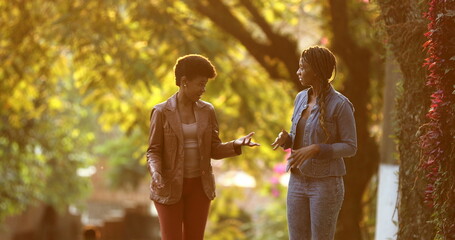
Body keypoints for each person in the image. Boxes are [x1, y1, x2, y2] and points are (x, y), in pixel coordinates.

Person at [146, 54, 259, 240]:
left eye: (205, 84)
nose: (203, 89)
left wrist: (236, 145)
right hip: (169, 185)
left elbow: (213, 149)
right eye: (200, 84)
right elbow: (153, 151)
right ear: (184, 81)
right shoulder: (161, 112)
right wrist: (156, 173)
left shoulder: (207, 111)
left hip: (200, 187)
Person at [271, 46, 357, 240]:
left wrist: (318, 149)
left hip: (326, 184)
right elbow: (302, 138)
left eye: (303, 67)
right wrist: (287, 140)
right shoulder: (300, 98)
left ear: (316, 71)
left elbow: (350, 147)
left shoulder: (341, 105)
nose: (298, 72)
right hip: (297, 181)